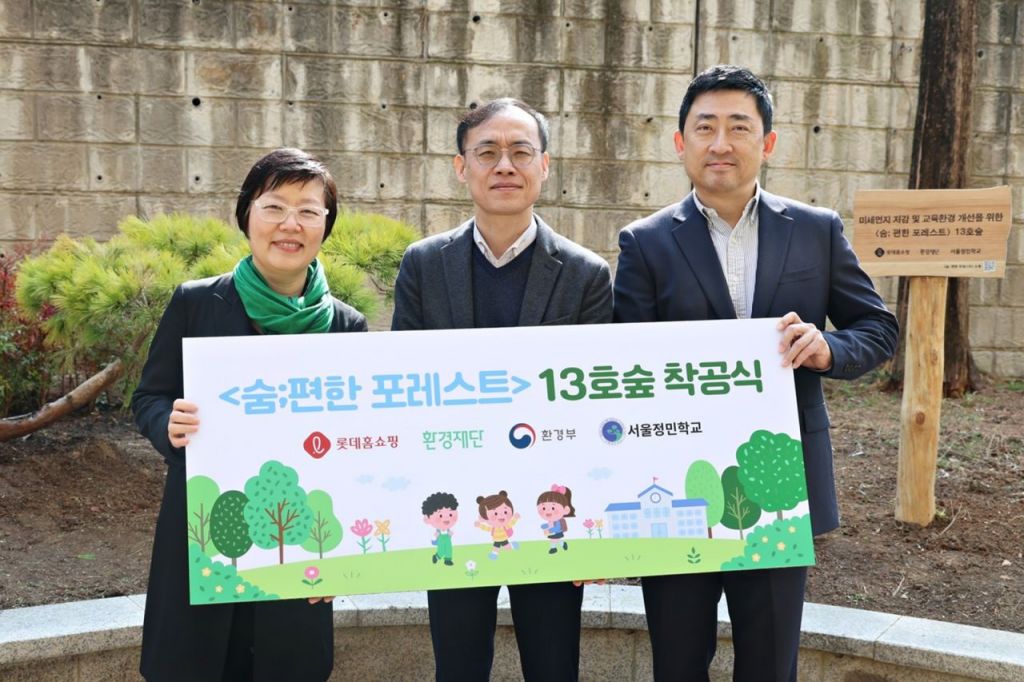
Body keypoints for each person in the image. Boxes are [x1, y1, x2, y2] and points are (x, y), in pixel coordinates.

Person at [612, 65, 898, 681]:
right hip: (679, 483)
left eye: (739, 127)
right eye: (705, 127)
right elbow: (625, 364)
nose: (721, 142)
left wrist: (826, 348)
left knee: (770, 663)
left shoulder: (816, 230)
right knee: (677, 661)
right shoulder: (645, 242)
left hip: (778, 482)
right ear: (680, 142)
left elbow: (877, 328)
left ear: (767, 142)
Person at [391, 97, 612, 682]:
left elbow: (597, 406)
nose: (505, 166)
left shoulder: (586, 273)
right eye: (487, 152)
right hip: (453, 503)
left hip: (551, 504)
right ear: (461, 167)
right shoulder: (423, 265)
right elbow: (405, 386)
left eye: (521, 152)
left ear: (545, 165)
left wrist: (594, 531)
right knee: (458, 665)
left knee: (553, 663)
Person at [131, 148, 367, 681]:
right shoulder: (196, 303)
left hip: (298, 539)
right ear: (247, 215)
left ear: (326, 224)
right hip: (201, 532)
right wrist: (167, 424)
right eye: (274, 207)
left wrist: (345, 556)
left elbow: (354, 443)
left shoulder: (345, 326)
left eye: (308, 211)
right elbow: (149, 396)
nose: (291, 224)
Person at [536, 484, 574, 554]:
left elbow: (557, 528)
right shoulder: (551, 520)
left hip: (558, 532)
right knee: (556, 540)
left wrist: (549, 530)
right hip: (554, 532)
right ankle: (562, 544)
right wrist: (545, 526)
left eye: (553, 508)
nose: (548, 511)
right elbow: (550, 525)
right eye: (543, 508)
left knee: (554, 539)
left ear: (565, 510)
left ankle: (553, 548)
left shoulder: (558, 521)